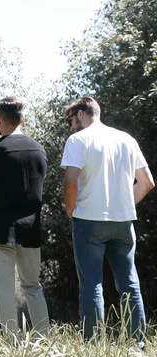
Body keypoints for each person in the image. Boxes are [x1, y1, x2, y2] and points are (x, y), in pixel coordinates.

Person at [61, 96, 154, 343]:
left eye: (71, 120)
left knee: (92, 286)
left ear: (81, 114)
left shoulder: (78, 140)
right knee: (129, 285)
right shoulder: (126, 139)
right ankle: (138, 345)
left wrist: (70, 210)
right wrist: (122, 205)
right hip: (123, 222)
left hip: (88, 220)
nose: (71, 126)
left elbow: (70, 183)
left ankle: (92, 346)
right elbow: (147, 183)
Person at [0, 97, 50, 337]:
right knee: (33, 286)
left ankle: (11, 343)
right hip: (30, 228)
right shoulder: (39, 150)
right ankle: (43, 338)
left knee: (4, 288)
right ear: (22, 119)